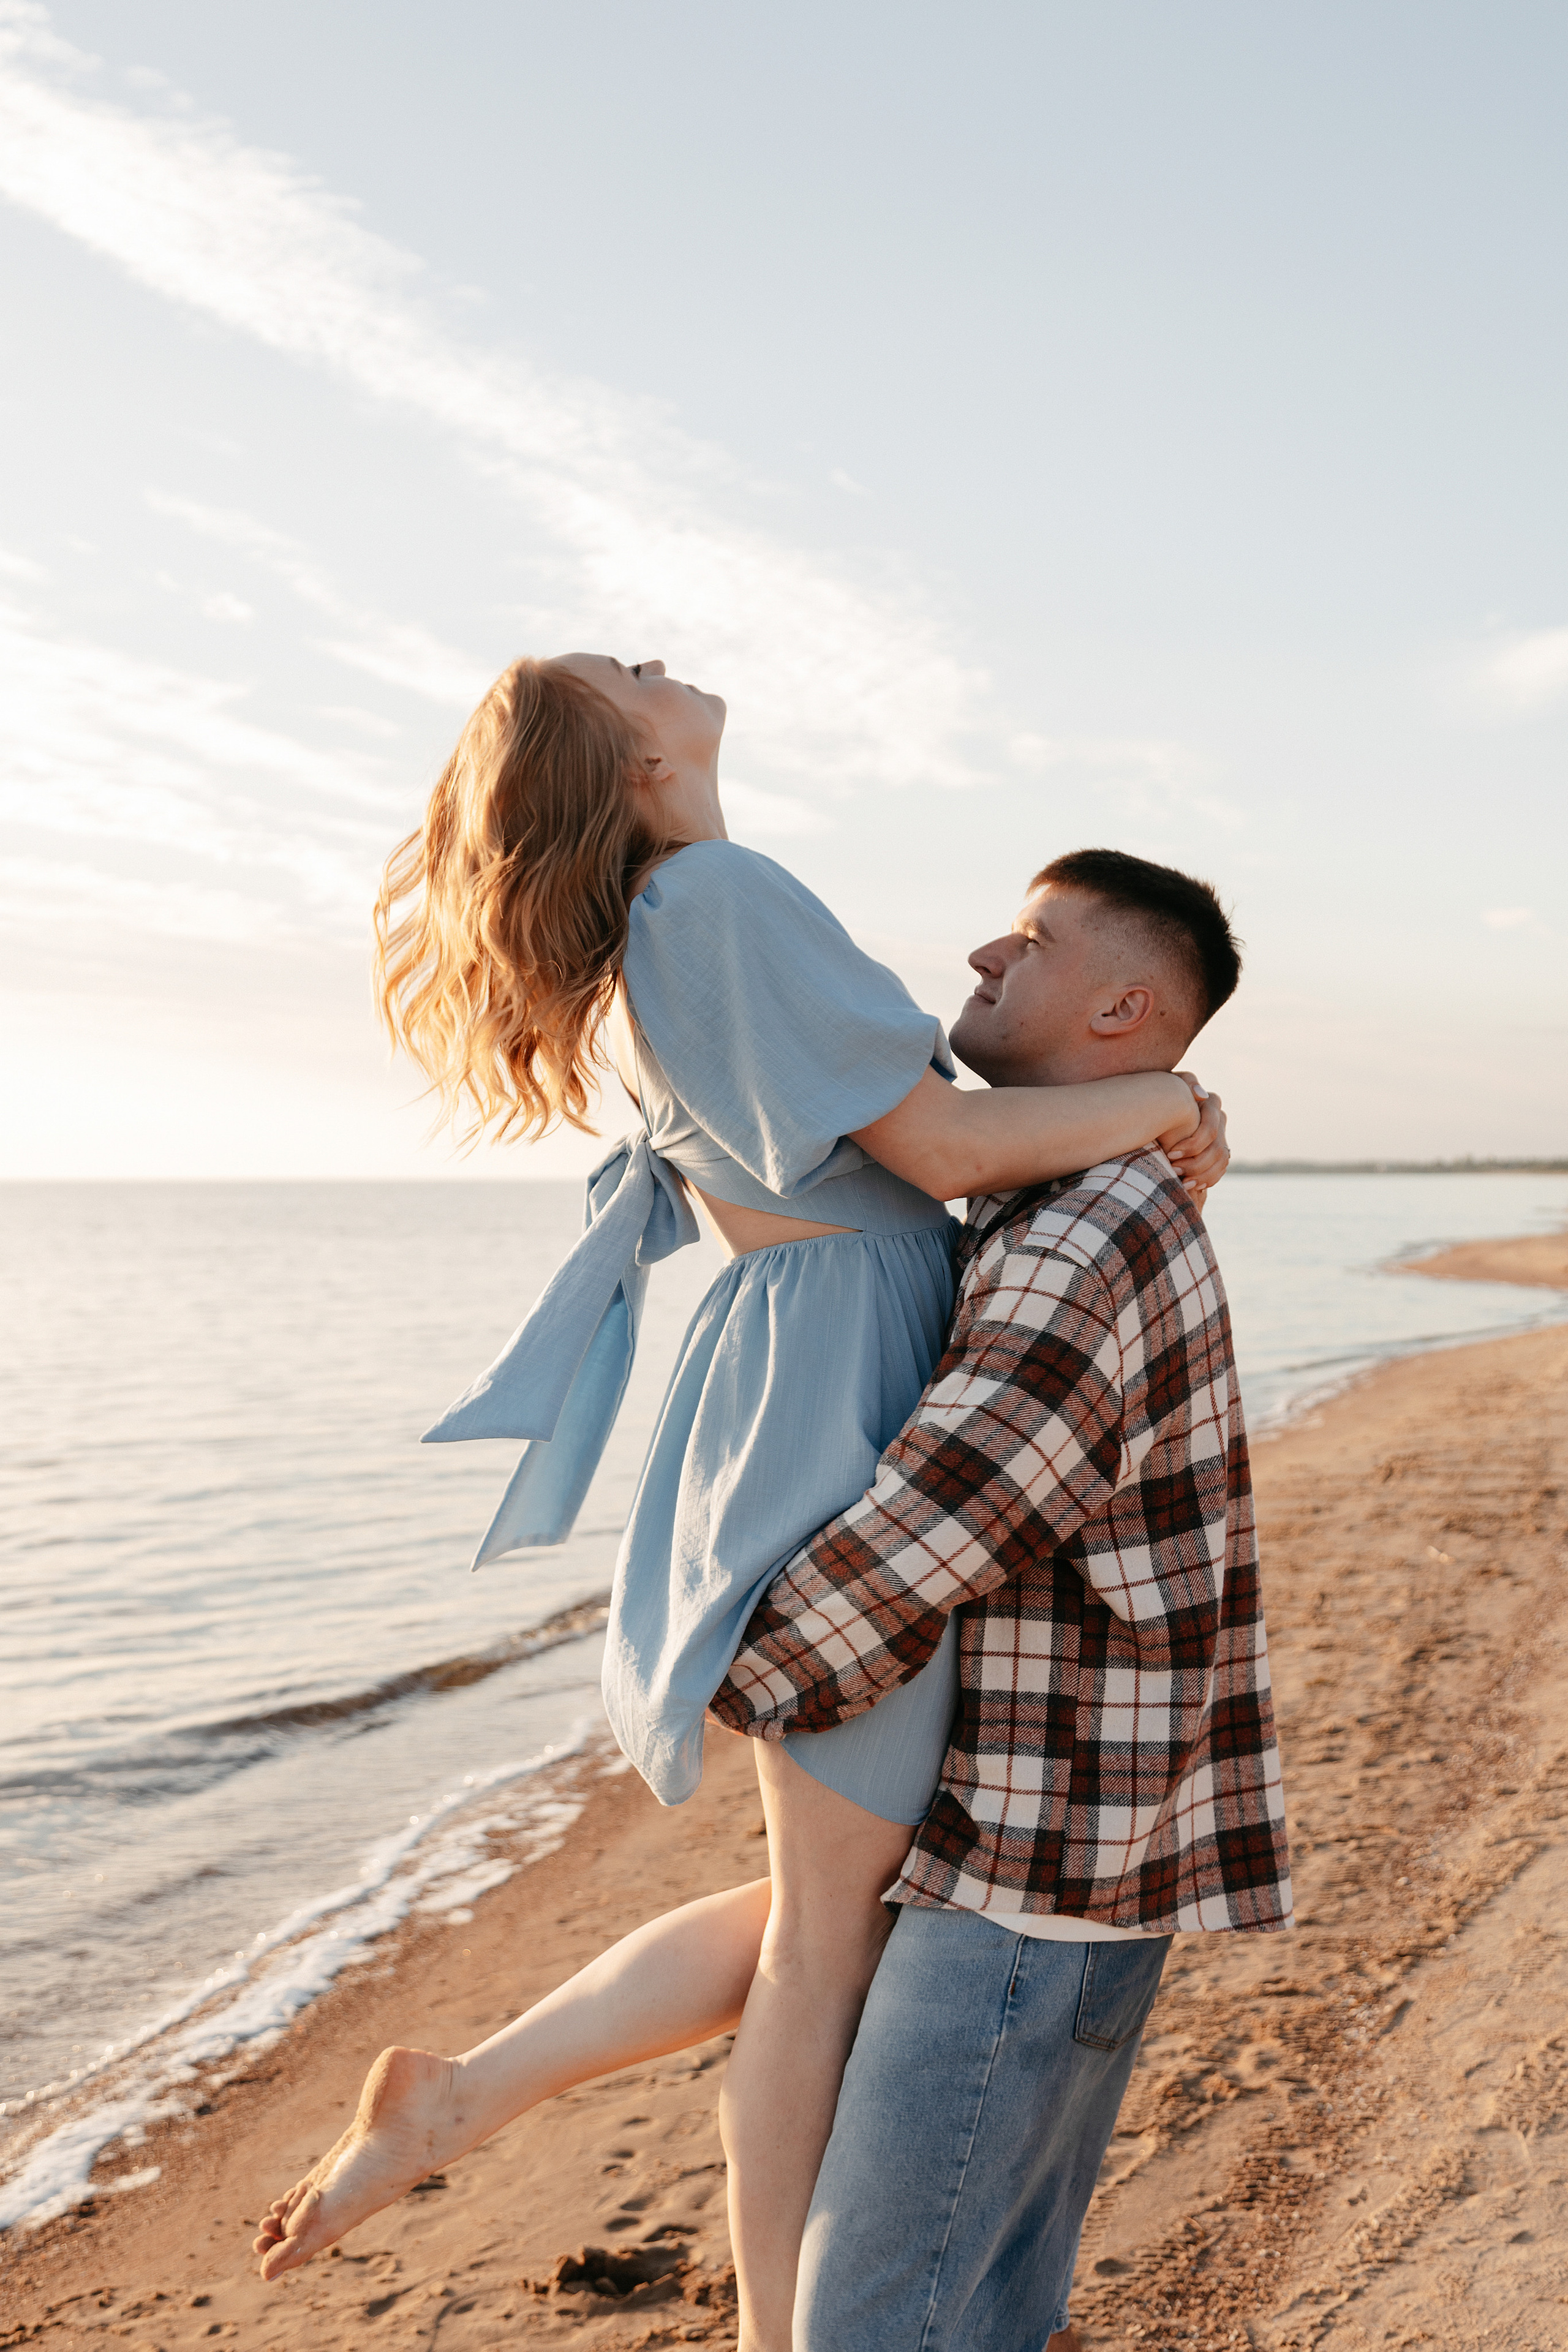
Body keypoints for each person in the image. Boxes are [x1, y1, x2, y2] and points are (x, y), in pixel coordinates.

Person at [253, 656, 1230, 2346]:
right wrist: (1167, 1103)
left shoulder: (695, 906)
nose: (661, 662)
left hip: (816, 1364)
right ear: (633, 756)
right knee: (826, 1949)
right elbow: (933, 1149)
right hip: (837, 1375)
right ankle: (778, 2325)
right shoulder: (711, 895)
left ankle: (459, 2096)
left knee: (827, 1905)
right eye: (628, 673)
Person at [710, 848, 1293, 2351]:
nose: (979, 954)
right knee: (977, 2315)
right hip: (1068, 1869)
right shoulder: (1085, 1193)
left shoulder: (1090, 1218)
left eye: (1026, 943)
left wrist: (733, 1669)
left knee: (879, 2326)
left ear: (1119, 1006)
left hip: (1029, 1886)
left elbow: (948, 1515)